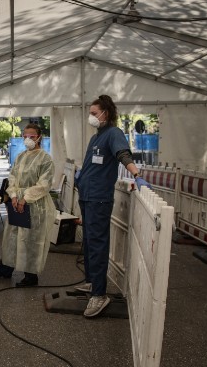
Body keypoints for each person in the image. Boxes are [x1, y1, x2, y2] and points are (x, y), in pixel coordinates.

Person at [75, 95, 151, 318]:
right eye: (90, 113)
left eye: (94, 113)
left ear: (106, 114)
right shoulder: (96, 137)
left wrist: (136, 174)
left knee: (97, 244)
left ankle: (99, 294)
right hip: (88, 197)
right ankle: (92, 283)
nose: (91, 117)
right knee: (89, 242)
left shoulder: (113, 133)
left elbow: (122, 154)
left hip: (98, 198)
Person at [0, 124, 56, 287]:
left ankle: (31, 276)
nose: (28, 139)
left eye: (32, 136)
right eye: (25, 136)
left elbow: (44, 184)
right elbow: (12, 179)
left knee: (32, 240)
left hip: (35, 205)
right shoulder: (20, 157)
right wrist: (12, 196)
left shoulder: (45, 159)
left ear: (39, 137)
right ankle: (5, 269)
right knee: (11, 237)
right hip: (16, 202)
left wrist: (25, 198)